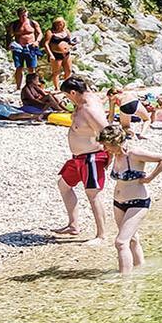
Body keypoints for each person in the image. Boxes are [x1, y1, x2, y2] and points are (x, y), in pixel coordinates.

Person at [99, 125, 162, 275]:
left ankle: (124, 280)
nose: (105, 149)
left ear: (116, 142)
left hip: (138, 202)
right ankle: (140, 271)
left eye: (107, 145)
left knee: (120, 242)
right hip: (118, 203)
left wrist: (150, 178)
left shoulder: (134, 153)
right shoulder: (115, 155)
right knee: (132, 239)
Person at [53, 77, 111, 240]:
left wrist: (110, 156)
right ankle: (73, 225)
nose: (67, 99)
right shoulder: (84, 100)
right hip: (78, 157)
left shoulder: (88, 109)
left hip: (92, 157)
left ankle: (101, 235)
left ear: (73, 92)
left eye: (67, 96)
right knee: (64, 185)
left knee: (93, 194)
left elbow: (107, 131)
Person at [10, 9, 43, 87]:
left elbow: (40, 34)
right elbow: (10, 35)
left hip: (30, 46)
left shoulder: (33, 23)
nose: (23, 17)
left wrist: (37, 42)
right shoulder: (14, 24)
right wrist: (10, 44)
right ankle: (18, 87)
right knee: (19, 67)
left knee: (31, 67)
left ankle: (32, 86)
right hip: (18, 47)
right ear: (18, 15)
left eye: (25, 15)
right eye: (21, 15)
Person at [46, 16, 75, 83]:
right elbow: (46, 44)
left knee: (69, 70)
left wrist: (71, 45)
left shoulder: (66, 31)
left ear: (63, 24)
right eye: (57, 24)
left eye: (60, 24)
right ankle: (57, 87)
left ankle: (67, 85)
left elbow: (69, 41)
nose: (58, 26)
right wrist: (50, 54)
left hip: (67, 54)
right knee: (56, 72)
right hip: (56, 54)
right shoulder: (50, 32)